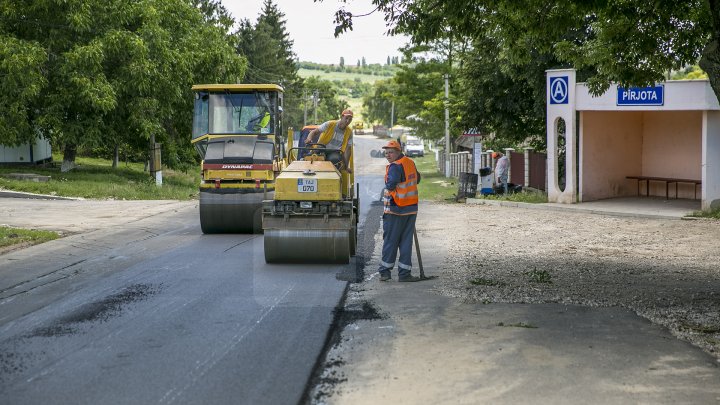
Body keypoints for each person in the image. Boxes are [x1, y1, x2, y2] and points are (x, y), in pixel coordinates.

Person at [377, 139, 422, 282]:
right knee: (406, 242)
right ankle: (404, 274)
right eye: (386, 153)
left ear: (398, 152)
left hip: (395, 209)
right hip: (411, 209)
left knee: (391, 241)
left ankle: (385, 272)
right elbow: (417, 178)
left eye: (391, 152)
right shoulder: (410, 162)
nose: (388, 155)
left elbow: (390, 185)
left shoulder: (395, 166)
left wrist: (389, 185)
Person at [305, 109, 354, 173]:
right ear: (342, 117)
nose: (348, 121)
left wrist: (346, 166)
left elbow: (348, 150)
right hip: (322, 148)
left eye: (350, 119)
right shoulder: (329, 124)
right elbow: (314, 132)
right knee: (315, 153)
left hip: (335, 152)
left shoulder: (349, 132)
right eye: (346, 118)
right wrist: (309, 138)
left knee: (334, 159)